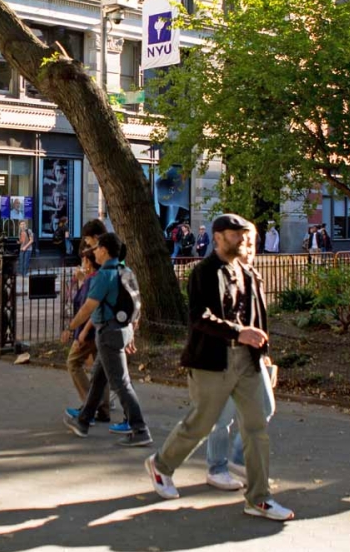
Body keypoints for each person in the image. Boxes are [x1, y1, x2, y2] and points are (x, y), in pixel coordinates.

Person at [142, 214, 291, 521]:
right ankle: (161, 465)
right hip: (212, 361)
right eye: (236, 235)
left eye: (243, 235)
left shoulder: (246, 270)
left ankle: (259, 498)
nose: (242, 240)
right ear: (219, 237)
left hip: (246, 361)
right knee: (200, 423)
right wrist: (238, 333)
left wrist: (263, 353)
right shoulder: (204, 271)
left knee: (256, 426)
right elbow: (199, 316)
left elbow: (256, 318)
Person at [203, 230, 276, 492]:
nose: (251, 249)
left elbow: (258, 321)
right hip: (226, 357)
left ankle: (235, 460)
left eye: (253, 244)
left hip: (252, 358)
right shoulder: (222, 276)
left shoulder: (253, 277)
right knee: (222, 416)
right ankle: (217, 467)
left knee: (265, 407)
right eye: (245, 244)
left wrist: (265, 354)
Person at [63, 232, 151, 447]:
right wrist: (131, 331)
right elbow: (137, 304)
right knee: (99, 378)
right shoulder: (125, 271)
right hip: (121, 329)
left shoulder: (105, 275)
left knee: (121, 383)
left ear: (104, 250)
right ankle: (83, 421)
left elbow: (88, 308)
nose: (94, 252)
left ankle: (140, 429)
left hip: (108, 333)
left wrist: (70, 327)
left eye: (96, 248)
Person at [62, 248, 112, 424]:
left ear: (88, 262)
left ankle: (90, 404)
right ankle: (103, 408)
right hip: (99, 330)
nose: (82, 264)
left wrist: (75, 330)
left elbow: (87, 308)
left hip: (88, 331)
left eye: (83, 260)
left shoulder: (94, 280)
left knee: (73, 362)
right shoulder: (94, 279)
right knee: (101, 369)